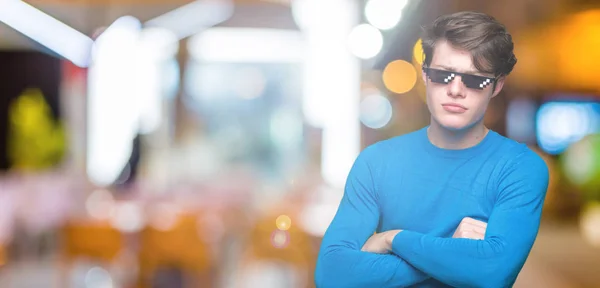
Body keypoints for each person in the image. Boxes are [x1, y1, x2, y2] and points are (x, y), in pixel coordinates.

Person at [314, 11, 549, 288]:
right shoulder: (376, 163)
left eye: (475, 80)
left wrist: (393, 239)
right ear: (425, 75)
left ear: (497, 86)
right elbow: (333, 275)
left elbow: (491, 272)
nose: (456, 90)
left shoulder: (521, 168)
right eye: (443, 75)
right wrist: (451, 250)